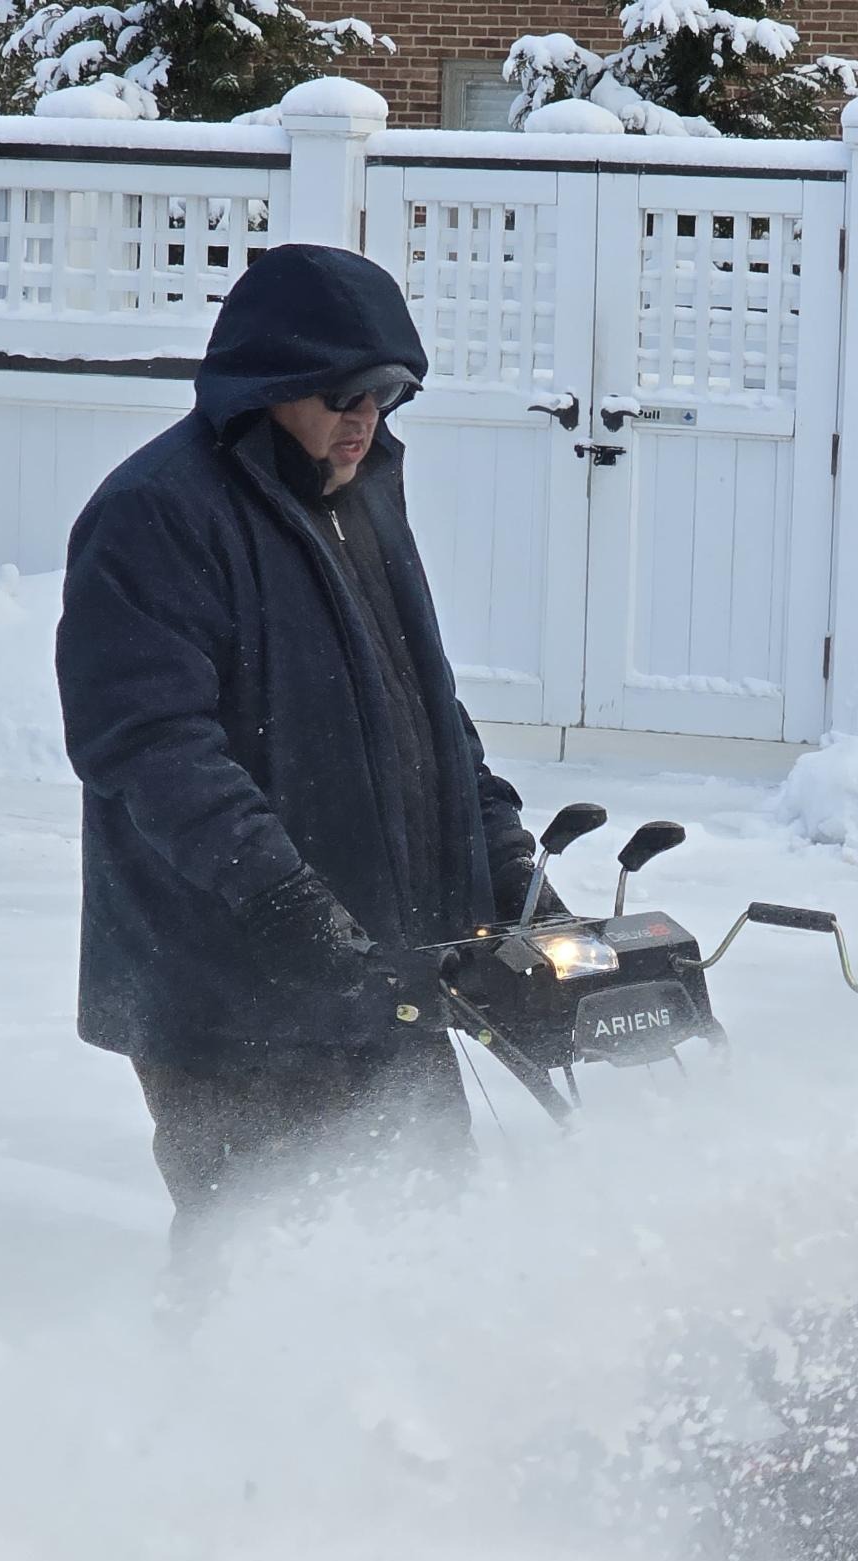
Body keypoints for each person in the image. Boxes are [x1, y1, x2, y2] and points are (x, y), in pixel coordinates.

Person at [56, 242, 553, 1273]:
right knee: (264, 1265)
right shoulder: (157, 514)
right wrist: (288, 903)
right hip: (231, 995)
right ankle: (192, 1387)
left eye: (389, 394)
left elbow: (425, 704)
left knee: (430, 1252)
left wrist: (507, 861)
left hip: (386, 974)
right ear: (269, 384)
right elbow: (148, 744)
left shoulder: (358, 493)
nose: (366, 418)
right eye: (343, 395)